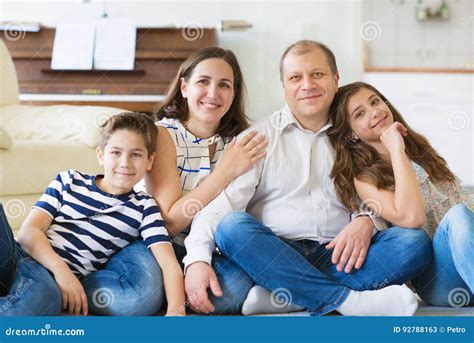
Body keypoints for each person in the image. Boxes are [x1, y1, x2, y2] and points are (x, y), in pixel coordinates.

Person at [182, 40, 433, 316]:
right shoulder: (257, 138)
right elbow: (221, 208)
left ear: (335, 79)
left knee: (413, 244)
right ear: (284, 87)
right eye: (295, 78)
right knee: (231, 228)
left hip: (339, 255)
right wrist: (196, 260)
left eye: (317, 74)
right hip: (275, 252)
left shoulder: (354, 134)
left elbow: (382, 194)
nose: (307, 85)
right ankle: (349, 301)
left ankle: (291, 294)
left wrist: (367, 221)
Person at [0, 112, 185, 316]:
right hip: (20, 255)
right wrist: (62, 271)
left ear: (150, 161)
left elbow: (168, 264)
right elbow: (28, 234)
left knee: (44, 299)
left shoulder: (143, 208)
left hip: (45, 279)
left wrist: (176, 313)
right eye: (116, 152)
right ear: (100, 155)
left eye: (136, 154)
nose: (125, 162)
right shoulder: (69, 180)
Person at [143, 47, 267, 314]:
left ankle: (178, 292)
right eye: (203, 82)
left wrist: (200, 260)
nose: (213, 94)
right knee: (136, 298)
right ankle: (169, 291)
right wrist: (225, 172)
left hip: (208, 250)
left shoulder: (240, 143)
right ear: (184, 87)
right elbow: (170, 224)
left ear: (233, 95)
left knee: (234, 289)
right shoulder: (163, 135)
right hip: (159, 247)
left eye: (224, 85)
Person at [328, 81, 473, 307]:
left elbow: (459, 198)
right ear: (350, 135)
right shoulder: (365, 178)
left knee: (461, 212)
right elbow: (411, 218)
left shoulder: (416, 147)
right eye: (360, 114)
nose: (374, 111)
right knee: (457, 215)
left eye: (375, 101)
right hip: (440, 282)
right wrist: (395, 148)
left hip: (469, 262)